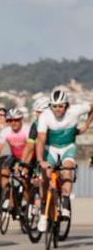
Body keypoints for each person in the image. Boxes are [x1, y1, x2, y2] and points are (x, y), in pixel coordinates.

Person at [34, 87, 93, 227]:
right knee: (45, 177)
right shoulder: (45, 116)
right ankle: (43, 213)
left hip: (68, 147)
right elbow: (41, 139)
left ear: (66, 105)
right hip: (51, 148)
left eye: (61, 106)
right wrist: (40, 160)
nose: (58, 109)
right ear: (50, 106)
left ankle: (65, 202)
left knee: (67, 169)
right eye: (55, 106)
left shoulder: (75, 111)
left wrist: (86, 125)